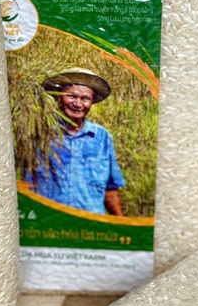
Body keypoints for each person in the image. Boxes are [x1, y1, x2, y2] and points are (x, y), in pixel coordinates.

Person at [29, 68, 126, 216]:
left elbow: (110, 188)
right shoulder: (39, 133)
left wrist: (121, 223)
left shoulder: (102, 137)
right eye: (71, 96)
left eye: (85, 99)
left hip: (90, 222)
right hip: (48, 221)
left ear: (92, 102)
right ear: (58, 97)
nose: (78, 104)